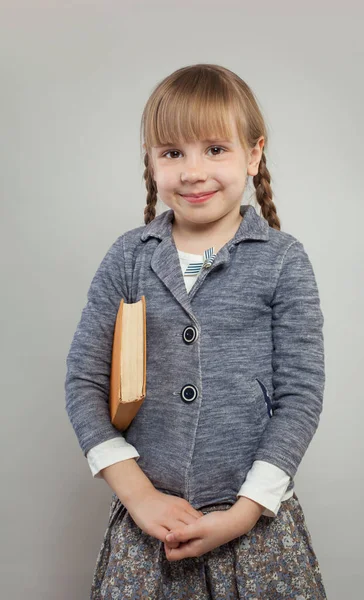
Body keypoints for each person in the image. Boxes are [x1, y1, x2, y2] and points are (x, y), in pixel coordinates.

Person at [65, 63, 328, 599]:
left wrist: (245, 511)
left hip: (255, 530)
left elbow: (300, 396)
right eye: (171, 153)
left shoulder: (283, 261)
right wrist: (139, 497)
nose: (191, 171)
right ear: (150, 160)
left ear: (253, 154)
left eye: (214, 149)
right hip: (149, 535)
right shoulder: (128, 258)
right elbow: (84, 384)